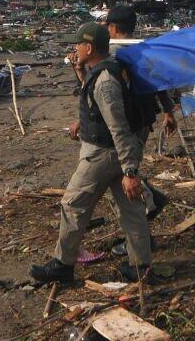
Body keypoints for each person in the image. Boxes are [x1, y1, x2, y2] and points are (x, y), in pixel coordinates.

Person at [29, 22, 153, 284]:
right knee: (131, 210)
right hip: (115, 154)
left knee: (73, 205)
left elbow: (118, 126)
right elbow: (95, 105)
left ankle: (63, 265)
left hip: (103, 155)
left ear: (89, 47)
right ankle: (140, 267)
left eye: (78, 44)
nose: (75, 48)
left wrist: (130, 171)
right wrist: (80, 72)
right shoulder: (104, 71)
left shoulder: (105, 82)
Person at [102, 5, 177, 256]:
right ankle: (150, 201)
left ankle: (141, 233)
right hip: (143, 121)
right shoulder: (144, 51)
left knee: (121, 177)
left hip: (124, 125)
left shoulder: (111, 54)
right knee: (123, 172)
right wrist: (168, 111)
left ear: (112, 27)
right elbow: (159, 83)